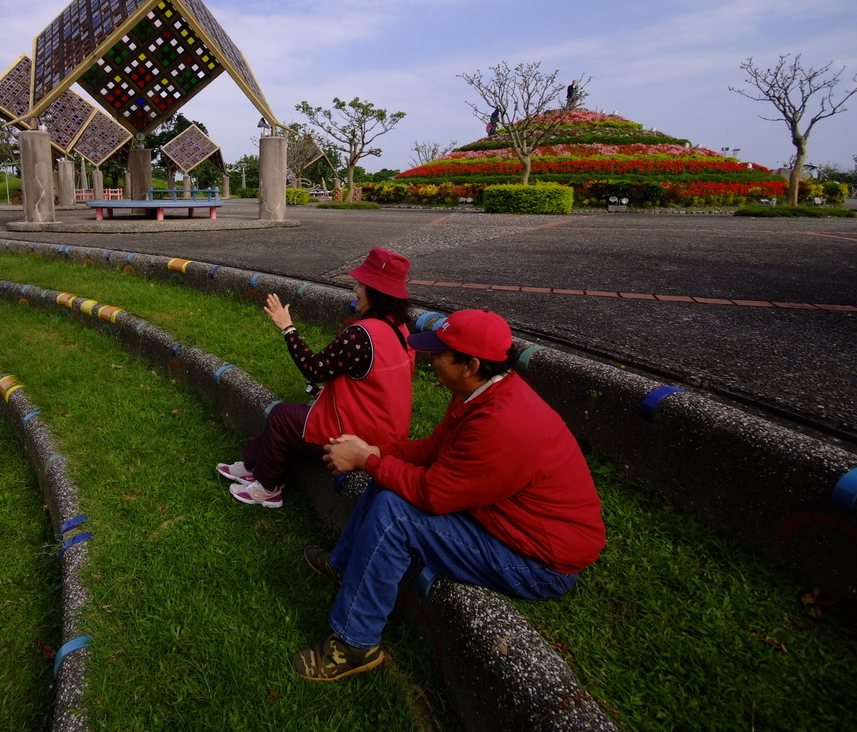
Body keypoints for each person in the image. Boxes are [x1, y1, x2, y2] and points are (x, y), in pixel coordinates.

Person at [290, 309, 606, 681]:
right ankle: (345, 568)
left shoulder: (500, 425)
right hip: (507, 523)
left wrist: (367, 459)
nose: (431, 359)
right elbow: (431, 450)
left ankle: (356, 643)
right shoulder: (480, 392)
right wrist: (373, 453)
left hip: (539, 563)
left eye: (441, 354)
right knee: (388, 474)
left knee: (396, 513)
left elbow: (433, 494)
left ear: (470, 365)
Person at [218, 248, 416, 508]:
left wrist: (287, 327)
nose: (355, 289)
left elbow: (315, 369)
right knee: (295, 414)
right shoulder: (400, 330)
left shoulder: (361, 334)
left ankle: (267, 488)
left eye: (360, 284)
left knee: (282, 417)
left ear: (375, 293)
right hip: (386, 430)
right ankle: (252, 465)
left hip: (360, 436)